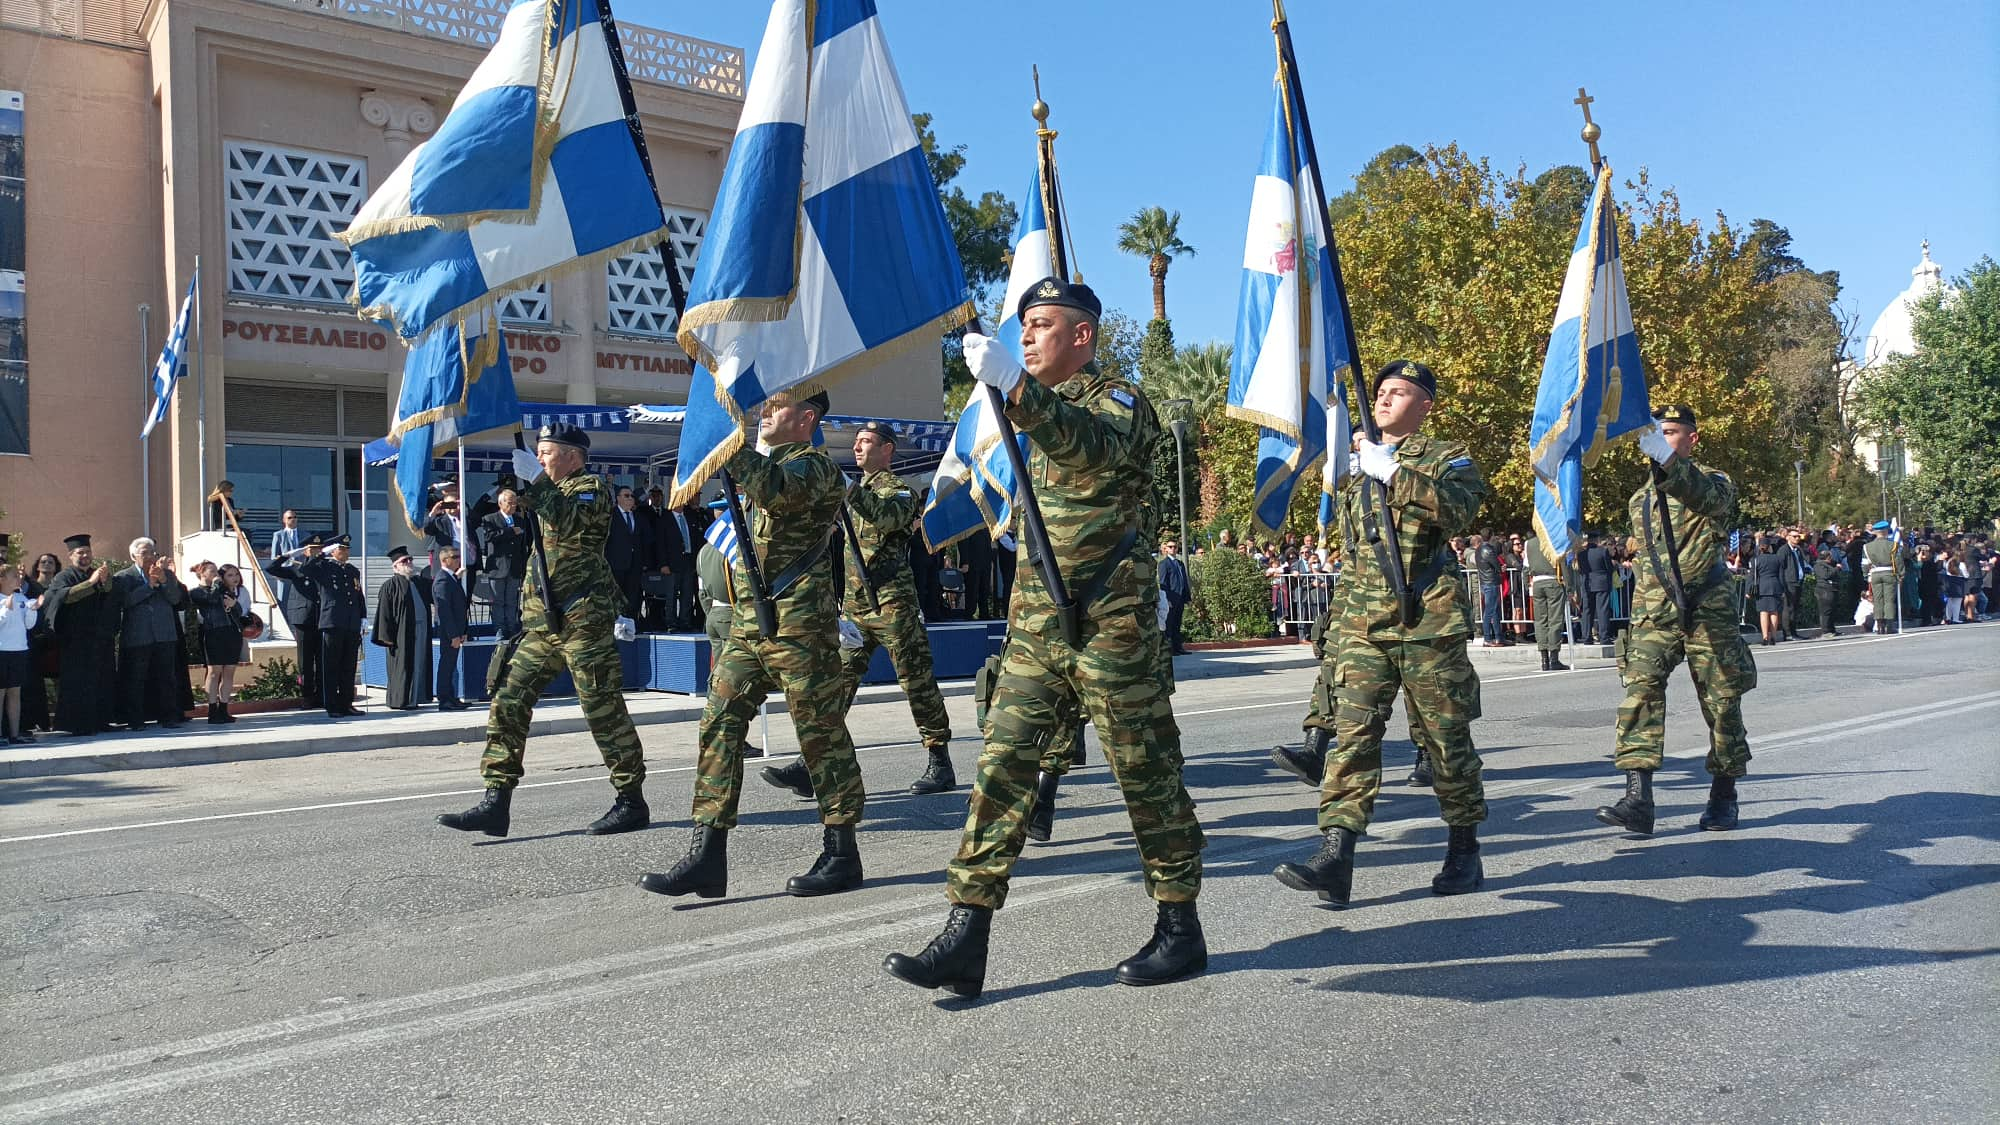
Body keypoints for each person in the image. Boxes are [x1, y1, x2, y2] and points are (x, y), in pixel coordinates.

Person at [884, 277, 1206, 997]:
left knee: (1144, 772)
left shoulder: (1119, 404)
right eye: (1021, 327)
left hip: (1111, 623)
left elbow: (1086, 446)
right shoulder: (1020, 411)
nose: (1024, 337)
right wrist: (1007, 393)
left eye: (1039, 325)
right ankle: (966, 932)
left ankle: (1180, 924)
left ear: (1082, 336)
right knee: (1000, 771)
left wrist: (1016, 391)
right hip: (1036, 624)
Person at [1270, 360, 1490, 908]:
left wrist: (1394, 473)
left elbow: (1459, 510)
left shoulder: (1445, 458)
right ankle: (1336, 855)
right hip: (1364, 626)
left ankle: (1464, 848)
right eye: (1383, 391)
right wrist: (1335, 623)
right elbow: (1360, 553)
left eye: (1401, 392)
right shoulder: (1358, 464)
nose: (1387, 399)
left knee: (1445, 742)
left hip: (1426, 624)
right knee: (1354, 738)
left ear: (1425, 406)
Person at [641, 388, 866, 900]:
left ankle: (841, 852)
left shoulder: (815, 469)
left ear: (806, 418)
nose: (765, 412)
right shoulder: (765, 465)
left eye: (776, 407)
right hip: (748, 625)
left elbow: (774, 491)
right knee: (718, 723)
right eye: (764, 406)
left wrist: (729, 442)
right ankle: (707, 854)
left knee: (820, 734)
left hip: (799, 627)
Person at [436, 424, 650, 838]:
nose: (540, 459)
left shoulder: (589, 488)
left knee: (602, 709)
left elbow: (570, 522)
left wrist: (534, 480)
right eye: (538, 452)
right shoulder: (543, 493)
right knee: (508, 698)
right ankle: (496, 800)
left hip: (582, 621)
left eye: (546, 452)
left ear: (572, 456)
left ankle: (631, 800)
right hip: (541, 625)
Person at [760, 420, 958, 800]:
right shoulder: (852, 493)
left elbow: (890, 519)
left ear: (887, 450)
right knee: (837, 685)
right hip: (856, 609)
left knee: (916, 683)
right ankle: (812, 764)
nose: (858, 447)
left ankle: (940, 760)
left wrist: (848, 491)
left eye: (867, 441)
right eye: (856, 442)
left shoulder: (899, 491)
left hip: (892, 605)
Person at [1596, 405, 1757, 836]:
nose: (1660, 440)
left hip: (1707, 610)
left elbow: (1706, 498)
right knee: (1639, 693)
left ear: (1692, 439)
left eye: (1670, 432)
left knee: (1722, 703)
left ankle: (1724, 792)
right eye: (1656, 433)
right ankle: (1638, 797)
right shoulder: (1641, 497)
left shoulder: (1715, 482)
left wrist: (1670, 465)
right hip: (1654, 611)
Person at [693, 501, 763, 759]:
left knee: (718, 677)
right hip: (732, 615)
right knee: (733, 683)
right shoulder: (731, 546)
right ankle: (731, 738)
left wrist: (711, 612)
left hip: (714, 613)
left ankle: (719, 734)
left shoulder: (704, 550)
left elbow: (701, 590)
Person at [39, 535, 120, 736]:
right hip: (74, 639)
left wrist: (105, 581)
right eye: (80, 552)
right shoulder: (64, 576)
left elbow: (108, 596)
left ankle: (100, 720)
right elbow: (65, 596)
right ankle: (76, 724)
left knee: (100, 680)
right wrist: (91, 583)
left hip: (98, 637)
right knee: (77, 682)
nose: (85, 556)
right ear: (71, 555)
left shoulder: (95, 573)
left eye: (87, 552)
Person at [112, 537, 188, 730]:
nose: (148, 557)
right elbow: (125, 602)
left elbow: (176, 600)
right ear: (133, 556)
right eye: (143, 553)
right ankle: (136, 720)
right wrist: (149, 586)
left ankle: (168, 717)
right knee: (136, 679)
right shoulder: (123, 577)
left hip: (164, 634)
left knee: (167, 678)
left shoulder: (166, 575)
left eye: (151, 552)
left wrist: (163, 581)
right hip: (138, 636)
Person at [308, 536, 366, 718]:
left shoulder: (352, 570)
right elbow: (306, 569)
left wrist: (362, 617)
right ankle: (332, 705)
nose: (346, 552)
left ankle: (346, 703)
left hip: (351, 623)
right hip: (332, 621)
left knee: (348, 666)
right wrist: (320, 554)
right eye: (342, 549)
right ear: (333, 551)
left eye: (347, 549)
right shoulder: (325, 567)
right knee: (331, 666)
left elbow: (358, 596)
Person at [372, 545, 434, 711]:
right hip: (401, 634)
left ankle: (417, 697)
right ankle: (402, 700)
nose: (409, 563)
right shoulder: (390, 586)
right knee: (403, 667)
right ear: (396, 566)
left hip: (421, 630)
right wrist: (386, 637)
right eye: (404, 561)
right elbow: (384, 613)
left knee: (420, 663)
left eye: (410, 560)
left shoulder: (418, 582)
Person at [267, 533, 324, 708]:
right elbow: (271, 568)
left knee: (322, 659)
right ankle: (307, 696)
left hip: (322, 618)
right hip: (303, 619)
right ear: (305, 551)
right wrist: (288, 555)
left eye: (318, 549)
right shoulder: (297, 568)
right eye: (312, 550)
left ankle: (322, 694)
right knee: (305, 661)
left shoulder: (325, 568)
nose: (316, 552)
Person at [189, 561, 250, 723]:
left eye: (217, 571)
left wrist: (234, 604)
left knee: (229, 671)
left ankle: (224, 708)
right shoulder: (196, 592)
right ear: (202, 573)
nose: (216, 574)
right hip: (213, 633)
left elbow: (238, 612)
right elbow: (209, 599)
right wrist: (217, 585)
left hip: (231, 632)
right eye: (212, 571)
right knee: (214, 672)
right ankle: (212, 710)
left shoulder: (224, 590)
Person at [479, 488, 531, 638]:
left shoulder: (520, 520)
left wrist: (523, 565)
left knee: (512, 600)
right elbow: (489, 537)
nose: (513, 506)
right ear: (501, 503)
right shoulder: (490, 519)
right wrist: (509, 531)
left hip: (514, 567)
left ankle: (512, 626)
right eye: (510, 503)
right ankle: (499, 628)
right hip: (498, 566)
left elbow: (523, 545)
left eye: (515, 504)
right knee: (497, 600)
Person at [20, 552, 60, 733]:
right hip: (35, 639)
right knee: (35, 683)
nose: (47, 565)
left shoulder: (59, 584)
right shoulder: (31, 586)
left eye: (51, 562)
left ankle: (57, 719)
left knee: (59, 680)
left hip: (55, 638)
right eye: (43, 561)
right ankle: (37, 721)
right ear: (37, 565)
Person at [604, 485, 653, 623]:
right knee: (616, 597)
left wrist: (645, 562)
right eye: (626, 496)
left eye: (632, 496)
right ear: (618, 498)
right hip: (616, 564)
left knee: (633, 597)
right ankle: (617, 624)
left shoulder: (639, 517)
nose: (630, 498)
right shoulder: (610, 516)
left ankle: (632, 624)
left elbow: (647, 540)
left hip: (635, 565)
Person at [0, 564, 36, 744]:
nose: (18, 578)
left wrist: (32, 610)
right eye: (13, 575)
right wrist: (6, 609)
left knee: (15, 692)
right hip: (1, 650)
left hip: (19, 650)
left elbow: (28, 625)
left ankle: (14, 735)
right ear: (2, 579)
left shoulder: (21, 597)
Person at [432, 546, 470, 711]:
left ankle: (452, 697)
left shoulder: (451, 578)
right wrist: (454, 634)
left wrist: (462, 632)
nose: (458, 559)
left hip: (456, 631)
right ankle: (444, 699)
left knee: (451, 664)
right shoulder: (442, 580)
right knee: (446, 665)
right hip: (449, 632)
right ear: (444, 560)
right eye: (454, 557)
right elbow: (445, 610)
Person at [1523, 534, 1569, 671]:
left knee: (1540, 620)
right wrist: (1570, 586)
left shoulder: (1529, 543)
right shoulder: (1555, 540)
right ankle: (1554, 658)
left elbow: (1526, 567)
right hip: (1553, 580)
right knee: (1555, 620)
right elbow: (1563, 564)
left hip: (1537, 583)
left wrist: (1527, 585)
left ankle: (1544, 658)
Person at [1863, 521, 1901, 634]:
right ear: (1885, 531)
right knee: (1889, 600)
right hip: (1889, 573)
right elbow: (1898, 561)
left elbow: (1864, 563)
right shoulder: (1892, 544)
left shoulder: (1867, 547)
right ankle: (1889, 626)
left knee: (1878, 600)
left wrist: (1866, 575)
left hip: (1875, 574)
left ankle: (1880, 626)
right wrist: (1901, 574)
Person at [1578, 531, 1615, 644]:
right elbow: (1609, 567)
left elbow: (1581, 569)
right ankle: (1604, 637)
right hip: (1601, 582)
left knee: (1587, 610)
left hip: (1587, 583)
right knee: (1602, 610)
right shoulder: (1603, 551)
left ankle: (1586, 637)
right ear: (1597, 539)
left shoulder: (1581, 554)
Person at [1750, 535, 1788, 646]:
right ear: (1769, 547)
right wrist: (1783, 589)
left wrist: (1748, 591)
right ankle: (1773, 637)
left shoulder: (1756, 560)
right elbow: (1781, 575)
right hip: (1775, 586)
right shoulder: (1777, 558)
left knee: (1764, 612)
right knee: (1774, 612)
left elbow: (1752, 576)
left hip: (1762, 588)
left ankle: (1765, 637)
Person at [1159, 537, 1191, 656]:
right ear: (1166, 549)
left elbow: (1184, 582)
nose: (1173, 549)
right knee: (1170, 624)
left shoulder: (1180, 563)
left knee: (1177, 624)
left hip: (1180, 598)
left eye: (1175, 547)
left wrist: (1187, 598)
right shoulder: (1164, 564)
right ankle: (1170, 649)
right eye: (1170, 547)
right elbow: (1163, 583)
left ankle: (1178, 648)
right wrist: (1166, 599)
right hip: (1171, 599)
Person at [1474, 528, 1505, 646]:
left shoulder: (1478, 550)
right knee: (1490, 611)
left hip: (1485, 582)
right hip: (1490, 582)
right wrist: (1501, 568)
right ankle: (1487, 638)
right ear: (1491, 535)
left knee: (1495, 610)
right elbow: (1496, 565)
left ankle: (1498, 637)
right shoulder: (1488, 549)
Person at [268, 509, 304, 607]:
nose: (293, 519)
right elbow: (274, 556)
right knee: (283, 601)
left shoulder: (305, 534)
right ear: (284, 520)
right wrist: (277, 573)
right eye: (290, 517)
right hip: (284, 572)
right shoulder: (278, 535)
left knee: (302, 600)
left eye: (295, 517)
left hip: (300, 572)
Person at [1813, 535, 1844, 637]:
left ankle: (1832, 629)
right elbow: (1826, 575)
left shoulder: (1831, 564)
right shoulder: (1819, 565)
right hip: (1824, 590)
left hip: (1832, 589)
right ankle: (1825, 631)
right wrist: (1836, 569)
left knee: (1832, 611)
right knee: (1825, 611)